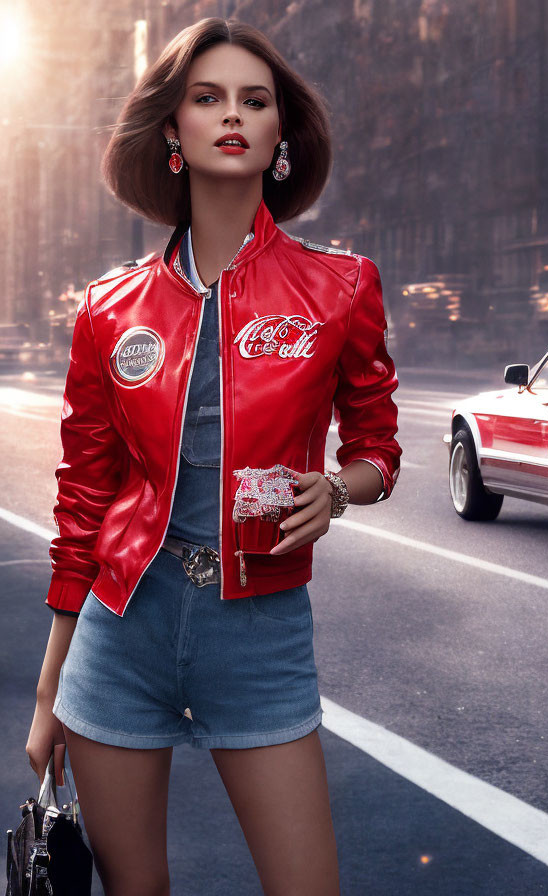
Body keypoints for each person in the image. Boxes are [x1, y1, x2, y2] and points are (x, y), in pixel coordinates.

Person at [26, 17, 401, 896]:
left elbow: (379, 449)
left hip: (260, 632)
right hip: (123, 628)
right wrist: (49, 694)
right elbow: (84, 500)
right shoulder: (108, 309)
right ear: (172, 130)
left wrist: (338, 490)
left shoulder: (339, 287)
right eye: (207, 98)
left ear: (279, 136)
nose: (231, 114)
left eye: (254, 100)